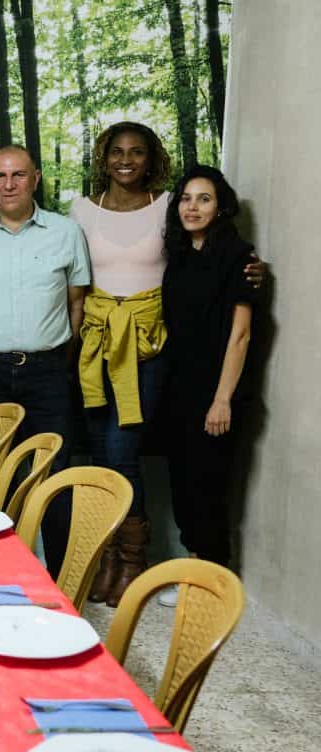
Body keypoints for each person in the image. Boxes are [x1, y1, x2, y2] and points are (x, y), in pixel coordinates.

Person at [72, 122, 267, 606]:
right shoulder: (78, 210)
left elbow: (213, 263)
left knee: (122, 453)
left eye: (136, 152)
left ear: (150, 158)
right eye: (116, 151)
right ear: (103, 157)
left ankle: (135, 560)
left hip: (147, 350)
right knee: (100, 454)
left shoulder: (166, 209)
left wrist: (252, 271)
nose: (125, 160)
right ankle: (111, 558)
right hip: (95, 345)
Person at [0, 144, 91, 579]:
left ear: (35, 178)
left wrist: (60, 361)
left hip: (49, 371)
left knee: (51, 473)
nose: (8, 184)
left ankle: (57, 583)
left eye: (18, 175)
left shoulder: (66, 233)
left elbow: (77, 305)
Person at [161, 165, 258, 585]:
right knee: (184, 485)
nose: (193, 207)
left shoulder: (238, 257)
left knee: (208, 489)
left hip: (217, 391)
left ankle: (214, 586)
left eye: (204, 199)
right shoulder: (181, 255)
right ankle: (194, 571)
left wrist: (222, 399)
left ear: (221, 208)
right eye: (186, 198)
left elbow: (241, 335)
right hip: (179, 387)